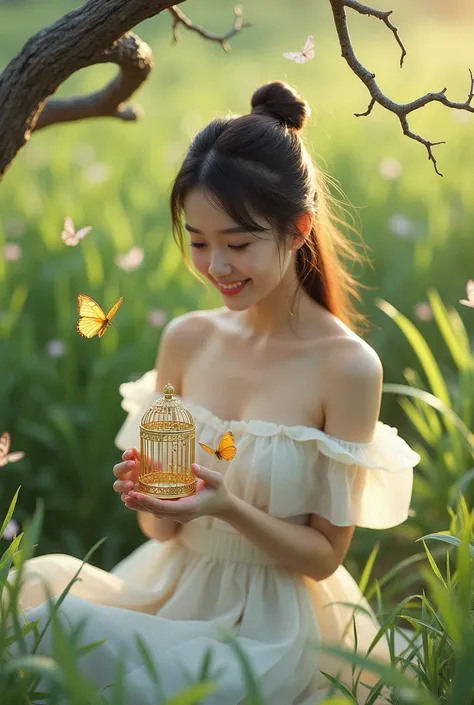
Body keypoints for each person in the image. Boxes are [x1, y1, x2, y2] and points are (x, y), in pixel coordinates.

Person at [9, 80, 421, 704]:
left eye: (238, 243)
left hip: (276, 623)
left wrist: (227, 506)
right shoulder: (187, 339)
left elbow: (322, 558)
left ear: (299, 227)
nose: (217, 267)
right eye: (198, 243)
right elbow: (160, 531)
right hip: (169, 585)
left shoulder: (348, 367)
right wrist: (156, 500)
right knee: (39, 605)